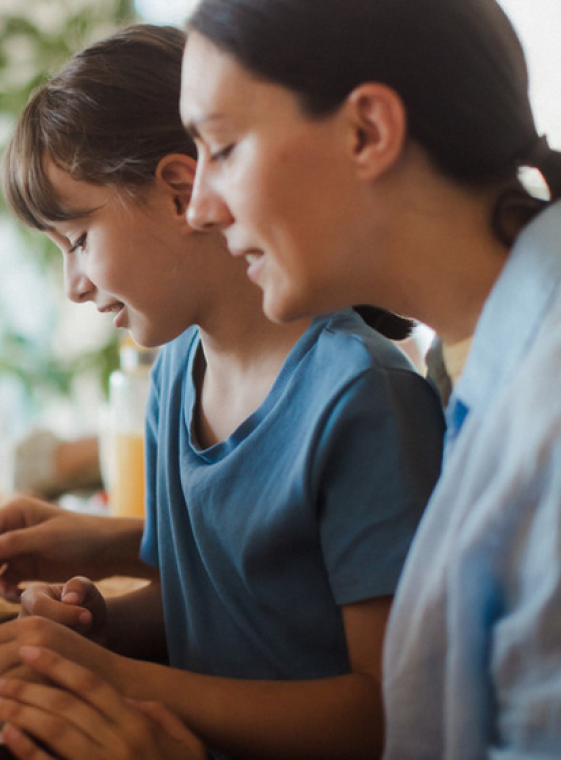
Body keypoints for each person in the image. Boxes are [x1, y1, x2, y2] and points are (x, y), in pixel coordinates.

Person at [0, 24, 446, 760]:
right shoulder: (177, 375)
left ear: (182, 191)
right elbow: (221, 616)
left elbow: (382, 716)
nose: (74, 285)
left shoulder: (362, 398)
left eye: (78, 240)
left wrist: (120, 680)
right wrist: (99, 630)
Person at [178, 0, 561, 756]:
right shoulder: (473, 364)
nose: (197, 208)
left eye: (221, 148)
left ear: (368, 132)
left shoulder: (546, 411)